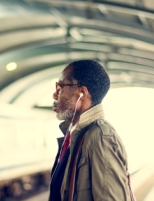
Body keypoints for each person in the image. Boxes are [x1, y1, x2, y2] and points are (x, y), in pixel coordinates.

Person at [49, 60, 133, 201]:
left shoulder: (100, 137)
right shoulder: (75, 136)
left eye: (60, 87)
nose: (54, 95)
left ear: (82, 93)